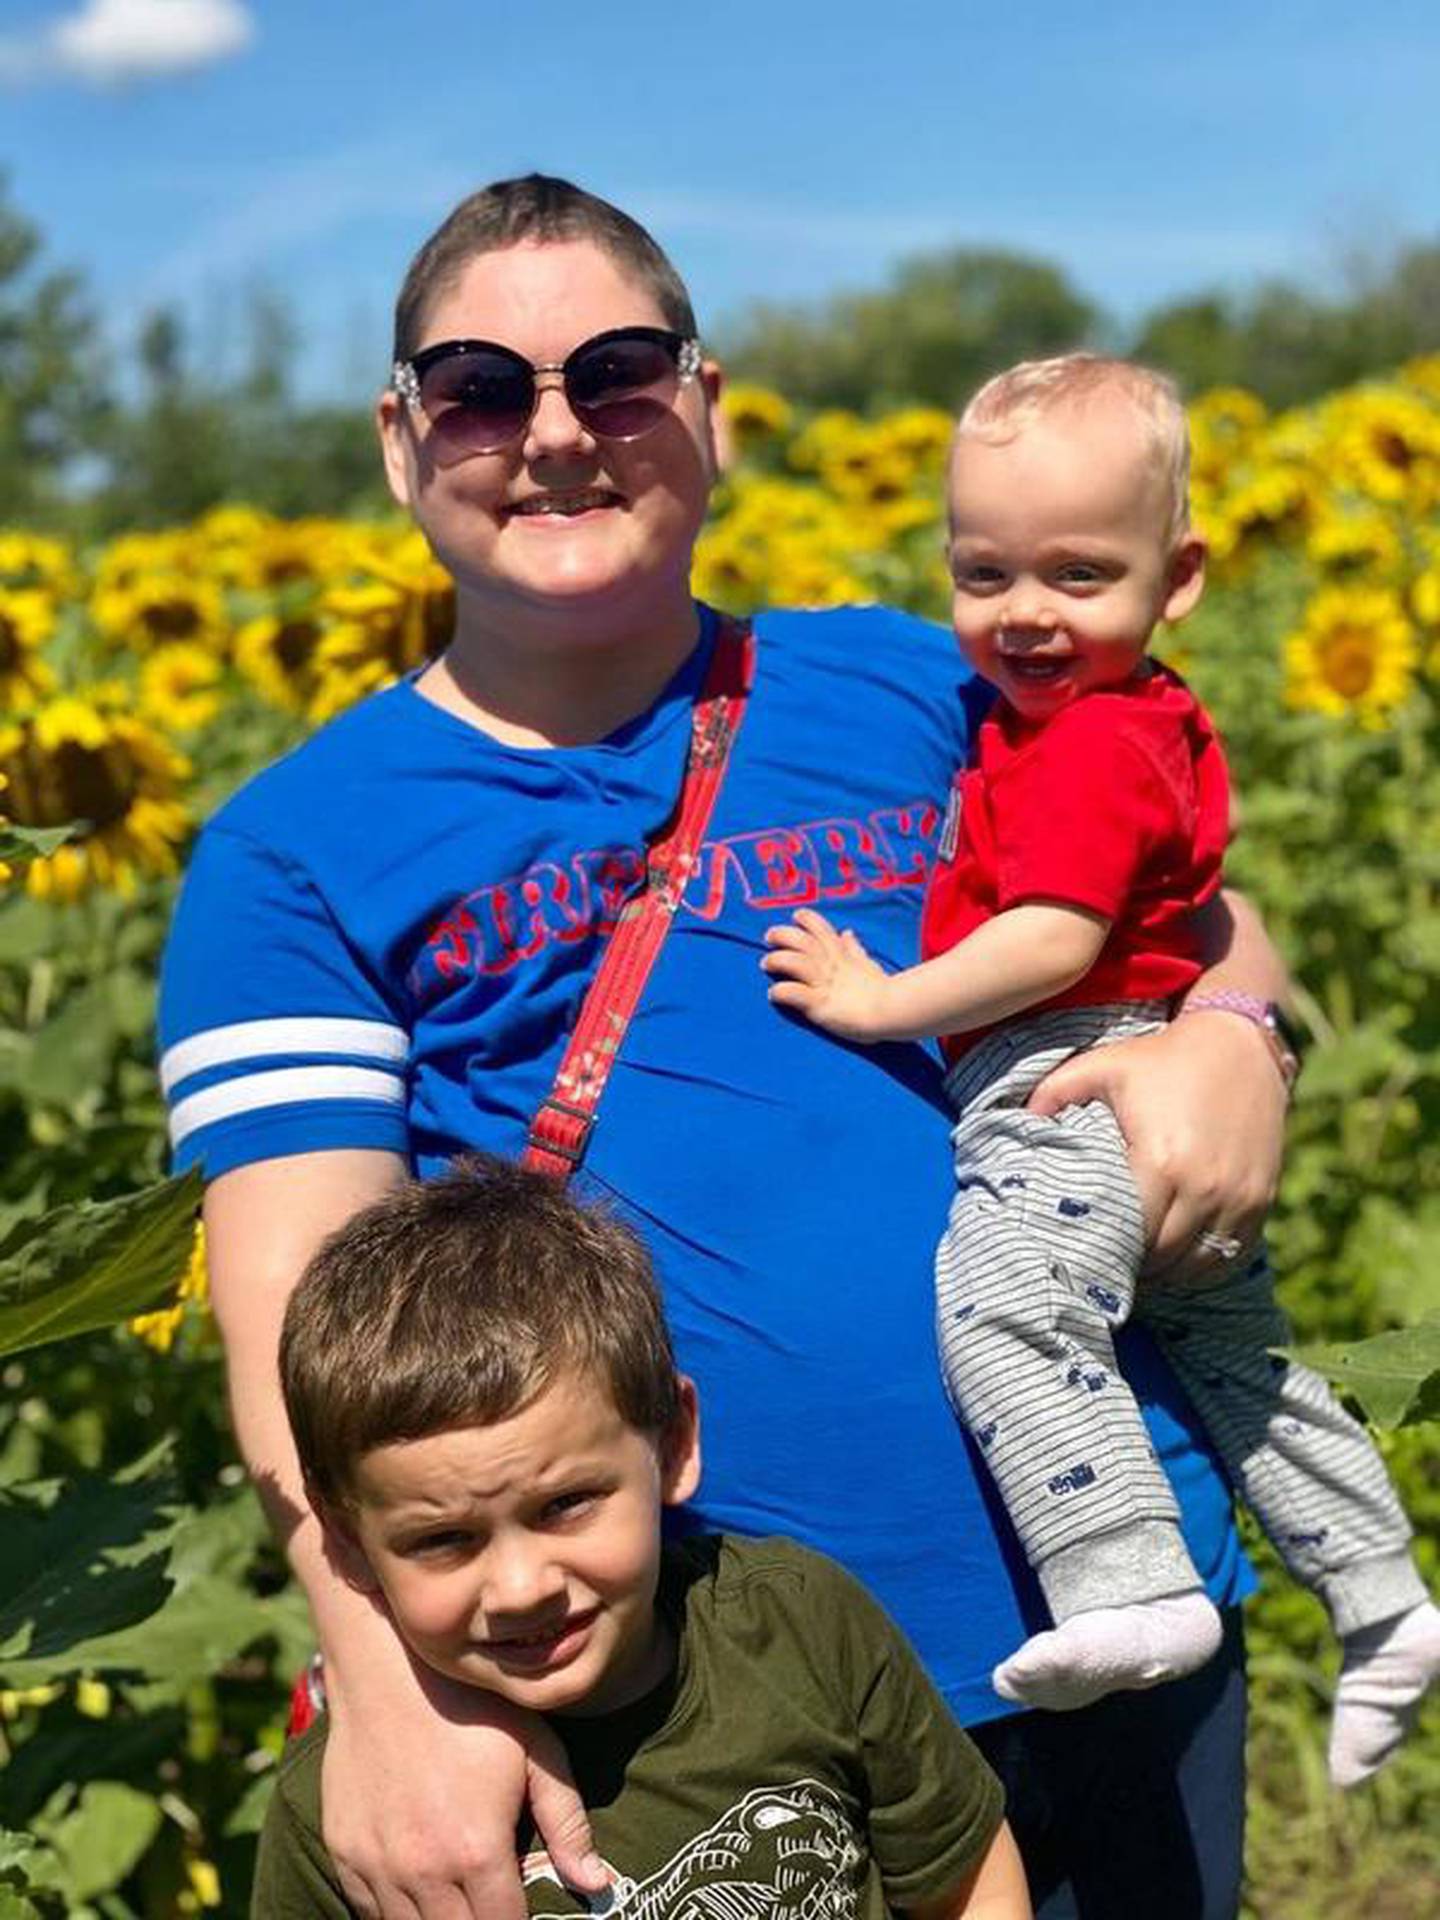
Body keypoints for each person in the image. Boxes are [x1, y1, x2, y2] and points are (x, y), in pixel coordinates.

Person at [158, 175, 1294, 1920]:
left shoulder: (927, 683)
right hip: (718, 1715)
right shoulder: (297, 848)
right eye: (479, 388)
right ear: (401, 443)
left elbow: (1182, 896)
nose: (554, 435)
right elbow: (299, 1314)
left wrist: (1230, 1033)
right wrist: (385, 1681)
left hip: (1119, 1589)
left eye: (615, 373)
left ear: (707, 412)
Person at [763, 354, 1440, 1784]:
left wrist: (883, 1001)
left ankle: (1130, 1587)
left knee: (1006, 1313)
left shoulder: (1081, 751)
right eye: (985, 571)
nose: (1024, 613)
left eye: (1079, 573)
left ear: (1178, 576)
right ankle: (1382, 1596)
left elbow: (1055, 934)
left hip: (1066, 1084)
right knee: (1234, 1363)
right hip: (1138, 1070)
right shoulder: (1136, 718)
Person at [253, 1157, 1030, 1918]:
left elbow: (966, 1883)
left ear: (672, 1446)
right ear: (349, 1543)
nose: (523, 1587)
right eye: (446, 1540)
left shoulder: (800, 1626)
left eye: (566, 1505)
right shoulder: (342, 1820)